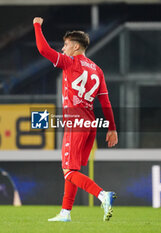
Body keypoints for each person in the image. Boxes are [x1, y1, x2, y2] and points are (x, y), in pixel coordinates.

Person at [33, 17, 118, 222]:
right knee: (72, 169)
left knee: (68, 170)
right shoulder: (97, 70)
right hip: (90, 123)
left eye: (66, 45)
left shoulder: (70, 63)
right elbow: (105, 102)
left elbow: (43, 50)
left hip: (75, 121)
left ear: (76, 46)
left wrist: (37, 25)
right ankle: (65, 213)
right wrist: (112, 128)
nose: (63, 49)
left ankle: (102, 195)